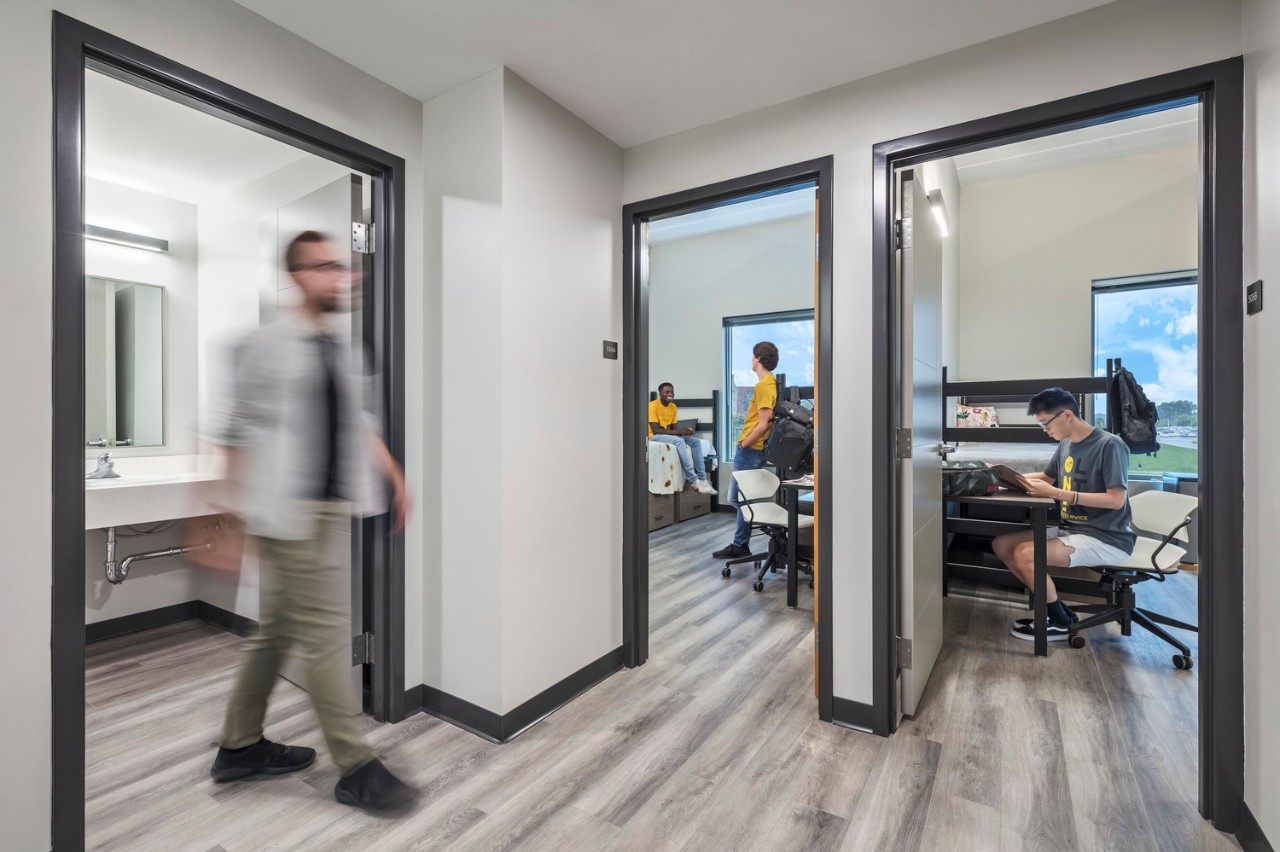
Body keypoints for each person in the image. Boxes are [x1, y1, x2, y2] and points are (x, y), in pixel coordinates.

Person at [206, 231, 417, 813]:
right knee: (326, 632)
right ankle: (357, 766)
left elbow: (362, 422)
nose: (343, 276)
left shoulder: (347, 351)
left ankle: (239, 745)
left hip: (327, 508)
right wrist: (225, 518)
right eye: (326, 267)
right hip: (286, 509)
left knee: (277, 630)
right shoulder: (265, 344)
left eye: (343, 267)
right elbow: (234, 428)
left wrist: (395, 476)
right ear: (297, 276)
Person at [993, 387, 1136, 641]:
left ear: (1067, 415)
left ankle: (1059, 622)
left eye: (1045, 423)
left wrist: (1058, 493)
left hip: (1106, 537)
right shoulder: (1066, 444)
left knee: (1025, 553)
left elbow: (1116, 500)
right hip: (1072, 529)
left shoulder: (1110, 445)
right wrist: (1003, 477)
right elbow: (1046, 478)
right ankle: (1060, 612)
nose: (1045, 430)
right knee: (1002, 544)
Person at [712, 341, 779, 559]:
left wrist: (744, 444)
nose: (751, 359)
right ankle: (745, 540)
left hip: (750, 450)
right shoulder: (768, 383)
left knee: (738, 498)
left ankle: (742, 542)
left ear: (758, 358)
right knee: (741, 498)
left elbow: (765, 423)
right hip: (752, 449)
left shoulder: (764, 385)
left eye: (753, 356)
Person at [648, 382, 716, 496]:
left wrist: (686, 433)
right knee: (679, 441)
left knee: (695, 442)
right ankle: (693, 480)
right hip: (654, 436)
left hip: (666, 435)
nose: (670, 394)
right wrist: (681, 432)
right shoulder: (653, 406)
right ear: (660, 393)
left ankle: (703, 480)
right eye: (667, 392)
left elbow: (674, 429)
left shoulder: (673, 407)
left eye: (672, 391)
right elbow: (656, 430)